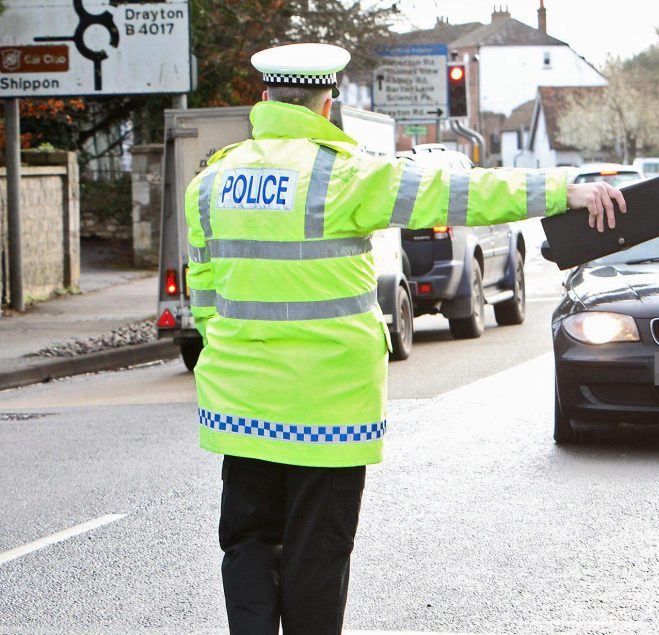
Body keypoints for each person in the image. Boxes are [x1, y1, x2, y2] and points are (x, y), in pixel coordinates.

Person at [184, 42, 627, 635]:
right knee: (318, 554)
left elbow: (205, 300)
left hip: (241, 408)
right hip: (327, 410)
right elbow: (461, 192)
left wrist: (242, 355)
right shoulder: (343, 177)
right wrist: (564, 189)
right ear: (327, 103)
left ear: (264, 98)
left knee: (247, 544)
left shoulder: (210, 184)